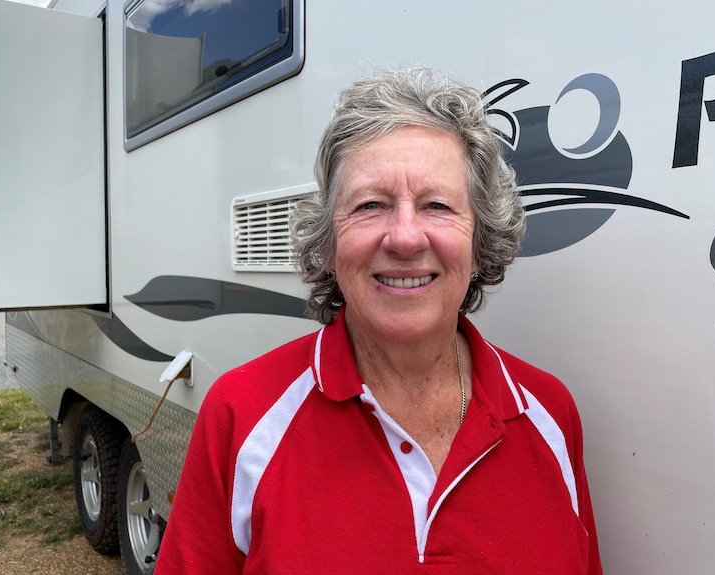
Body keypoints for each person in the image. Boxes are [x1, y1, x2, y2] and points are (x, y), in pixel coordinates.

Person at [155, 67, 602, 574]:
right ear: (327, 243)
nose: (405, 238)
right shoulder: (241, 415)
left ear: (480, 244)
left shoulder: (550, 412)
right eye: (371, 206)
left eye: (437, 205)